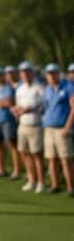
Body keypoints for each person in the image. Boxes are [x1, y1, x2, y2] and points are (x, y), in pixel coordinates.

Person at [41, 64, 74, 196]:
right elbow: (47, 108)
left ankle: (71, 187)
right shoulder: (48, 89)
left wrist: (68, 126)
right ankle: (55, 185)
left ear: (58, 73)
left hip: (62, 128)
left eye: (54, 73)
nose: (51, 76)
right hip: (49, 128)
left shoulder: (68, 87)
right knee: (51, 158)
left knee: (66, 159)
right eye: (49, 74)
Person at [14, 62, 46, 193]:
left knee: (36, 154)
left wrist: (29, 108)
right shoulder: (20, 89)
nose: (25, 74)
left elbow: (43, 106)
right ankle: (31, 180)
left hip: (35, 125)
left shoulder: (39, 88)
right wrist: (16, 111)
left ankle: (41, 182)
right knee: (24, 152)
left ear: (32, 73)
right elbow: (18, 105)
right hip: (22, 125)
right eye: (22, 72)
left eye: (27, 71)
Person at [0, 66, 21, 180]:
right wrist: (0, 102)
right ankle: (0, 169)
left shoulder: (9, 88)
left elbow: (9, 102)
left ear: (3, 75)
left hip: (8, 120)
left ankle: (17, 171)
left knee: (12, 145)